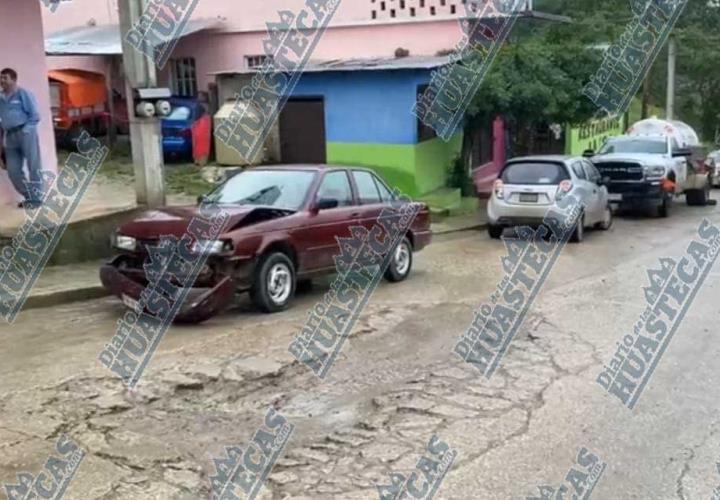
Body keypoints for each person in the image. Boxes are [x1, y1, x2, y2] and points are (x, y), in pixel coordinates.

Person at [0, 68, 43, 208]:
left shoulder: (23, 94)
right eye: (0, 78)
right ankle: (31, 196)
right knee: (13, 171)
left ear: (13, 79)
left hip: (25, 133)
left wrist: (26, 131)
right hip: (10, 136)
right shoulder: (0, 98)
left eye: (5, 78)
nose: (2, 80)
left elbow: (35, 115)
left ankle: (36, 200)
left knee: (33, 166)